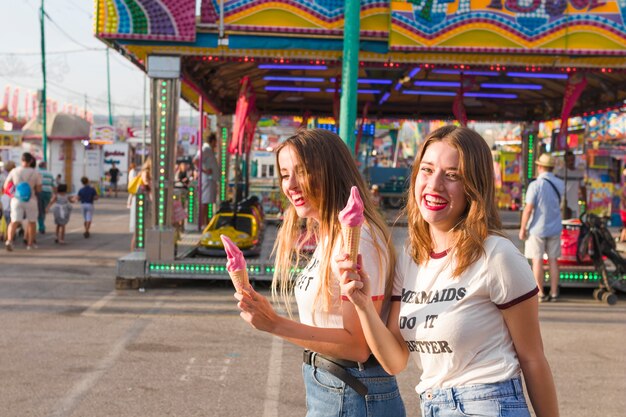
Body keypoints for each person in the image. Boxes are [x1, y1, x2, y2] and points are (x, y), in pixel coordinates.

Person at [340, 126, 559, 417]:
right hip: (432, 404)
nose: (435, 184)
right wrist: (363, 304)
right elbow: (395, 361)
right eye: (427, 170)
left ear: (474, 186)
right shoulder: (410, 257)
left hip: (488, 404)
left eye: (452, 175)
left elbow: (533, 359)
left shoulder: (496, 255)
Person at [234, 129, 405, 417]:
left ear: (331, 171)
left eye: (303, 171)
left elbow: (358, 345)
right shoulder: (330, 235)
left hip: (353, 392)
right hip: (333, 387)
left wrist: (273, 323)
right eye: (285, 174)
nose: (291, 185)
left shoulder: (359, 238)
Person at [520, 153, 565, 302]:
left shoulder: (535, 185)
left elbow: (528, 209)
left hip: (537, 229)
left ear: (539, 167)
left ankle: (540, 293)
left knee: (537, 261)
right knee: (553, 260)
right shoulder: (560, 183)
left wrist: (523, 228)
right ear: (552, 168)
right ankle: (554, 292)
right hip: (555, 227)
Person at [3, 152, 42, 251]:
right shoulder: (35, 173)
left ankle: (10, 241)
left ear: (21, 160)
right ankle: (29, 243)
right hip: (31, 199)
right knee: (32, 221)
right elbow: (39, 189)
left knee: (14, 221)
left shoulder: (14, 171)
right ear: (30, 162)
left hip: (16, 199)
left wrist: (12, 193)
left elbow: (6, 186)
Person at [194, 134, 219, 226]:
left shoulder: (209, 150)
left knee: (208, 202)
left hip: (210, 179)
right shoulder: (206, 149)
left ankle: (207, 221)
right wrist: (204, 171)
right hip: (207, 180)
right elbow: (195, 160)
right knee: (205, 201)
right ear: (212, 141)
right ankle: (203, 223)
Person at [555, 150, 586, 219]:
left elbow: (583, 188)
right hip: (562, 204)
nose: (571, 162)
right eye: (569, 160)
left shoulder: (578, 173)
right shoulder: (560, 173)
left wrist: (585, 201)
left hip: (574, 204)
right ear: (565, 161)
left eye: (572, 160)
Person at [37, 160, 56, 234]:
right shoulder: (50, 173)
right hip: (48, 193)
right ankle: (42, 225)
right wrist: (55, 193)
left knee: (39, 210)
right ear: (45, 166)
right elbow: (54, 184)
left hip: (39, 192)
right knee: (44, 209)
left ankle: (41, 226)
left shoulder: (37, 173)